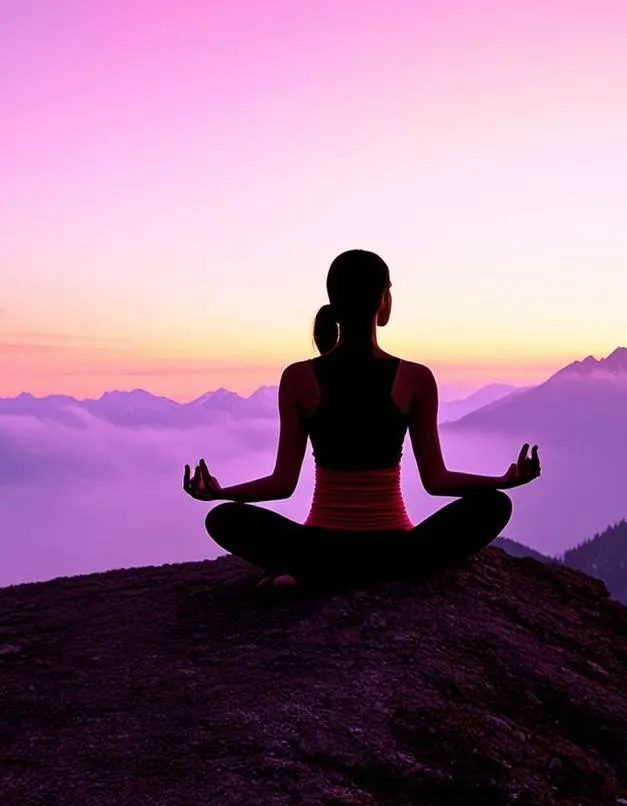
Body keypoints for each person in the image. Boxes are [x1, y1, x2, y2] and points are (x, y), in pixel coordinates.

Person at [182, 249, 541, 594]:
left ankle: (316, 574)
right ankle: (375, 575)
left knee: (223, 518)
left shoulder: (298, 378)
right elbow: (436, 480)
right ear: (383, 300)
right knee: (494, 505)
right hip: (396, 548)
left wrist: (221, 493)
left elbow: (282, 483)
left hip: (319, 545)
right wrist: (502, 481)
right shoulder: (415, 378)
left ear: (333, 299)